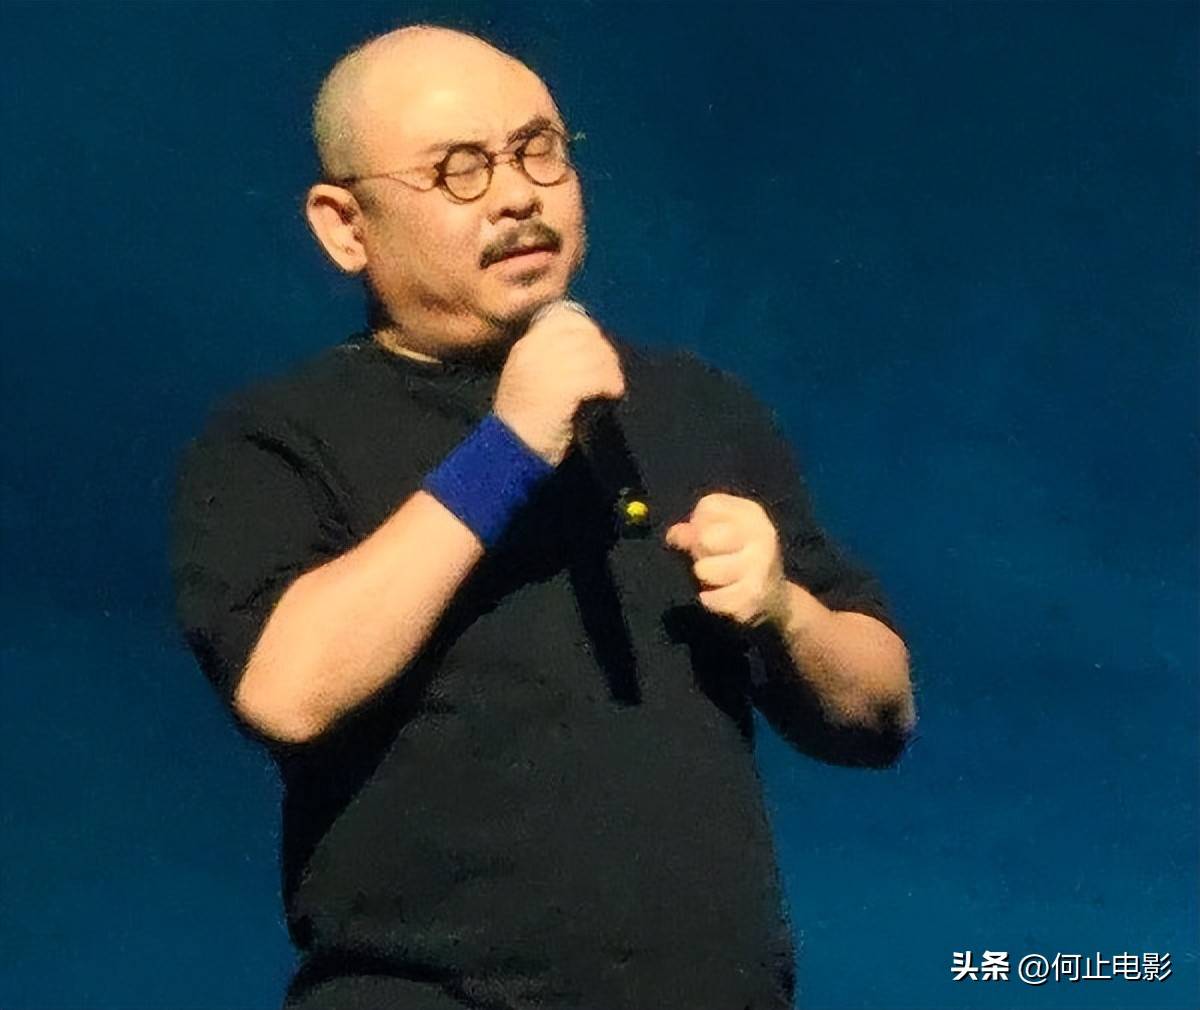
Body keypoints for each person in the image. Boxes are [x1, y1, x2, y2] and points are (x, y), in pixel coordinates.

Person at [170, 24, 916, 1010]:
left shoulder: (695, 408)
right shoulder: (278, 436)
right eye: (460, 170)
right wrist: (510, 447)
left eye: (537, 151)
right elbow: (287, 689)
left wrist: (786, 608)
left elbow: (883, 709)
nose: (517, 195)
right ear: (345, 226)